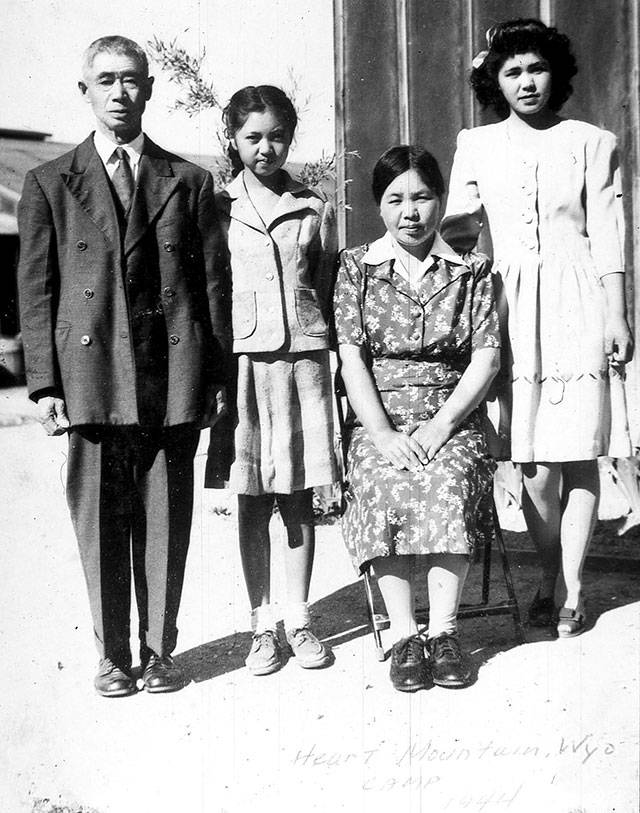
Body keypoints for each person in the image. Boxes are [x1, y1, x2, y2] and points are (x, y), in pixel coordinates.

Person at [17, 36, 231, 697]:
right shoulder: (49, 182)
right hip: (90, 383)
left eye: (131, 80)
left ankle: (159, 651)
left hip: (170, 382)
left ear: (149, 88)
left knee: (166, 522)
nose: (119, 92)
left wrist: (216, 377)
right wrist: (45, 383)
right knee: (102, 525)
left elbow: (213, 286)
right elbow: (37, 288)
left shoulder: (187, 180)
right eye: (105, 80)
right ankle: (113, 655)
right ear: (84, 91)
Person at [444, 18, 633, 638]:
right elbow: (456, 230)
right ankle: (547, 571)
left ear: (557, 73)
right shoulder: (476, 143)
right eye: (512, 71)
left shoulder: (591, 141)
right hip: (508, 302)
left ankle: (571, 587)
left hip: (577, 297)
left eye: (537, 68)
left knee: (579, 450)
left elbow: (608, 234)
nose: (527, 82)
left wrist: (618, 315)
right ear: (496, 80)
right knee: (529, 461)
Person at [334, 146, 500, 692]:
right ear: (378, 207)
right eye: (395, 199)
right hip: (379, 416)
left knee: (448, 481)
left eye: (423, 197)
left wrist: (443, 425)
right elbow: (352, 357)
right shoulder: (357, 266)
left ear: (441, 201)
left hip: (450, 414)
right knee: (384, 484)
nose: (411, 211)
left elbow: (486, 357)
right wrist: (380, 434)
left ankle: (444, 632)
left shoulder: (471, 271)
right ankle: (406, 635)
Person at [209, 85, 338, 675]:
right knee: (253, 495)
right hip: (244, 367)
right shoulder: (218, 207)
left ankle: (300, 618)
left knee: (299, 493)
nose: (265, 148)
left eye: (277, 136)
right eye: (252, 137)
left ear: (291, 136)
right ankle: (263, 625)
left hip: (303, 365)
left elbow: (329, 283)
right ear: (233, 140)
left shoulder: (313, 208)